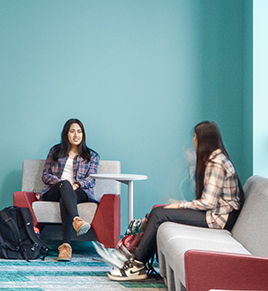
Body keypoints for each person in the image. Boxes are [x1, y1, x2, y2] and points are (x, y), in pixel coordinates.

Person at [104, 120, 241, 280]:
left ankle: (136, 266)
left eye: (195, 138)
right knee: (158, 210)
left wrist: (180, 205)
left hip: (217, 219)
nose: (193, 142)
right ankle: (138, 263)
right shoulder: (216, 159)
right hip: (216, 215)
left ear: (202, 140)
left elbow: (207, 203)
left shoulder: (216, 163)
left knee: (160, 214)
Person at [37, 118, 100, 262]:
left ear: (83, 134)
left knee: (65, 198)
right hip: (56, 189)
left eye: (79, 132)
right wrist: (61, 183)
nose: (76, 135)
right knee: (64, 186)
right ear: (66, 134)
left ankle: (66, 246)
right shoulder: (55, 151)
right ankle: (77, 220)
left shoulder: (92, 156)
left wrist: (77, 184)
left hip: (79, 192)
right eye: (72, 131)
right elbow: (45, 175)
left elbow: (92, 179)